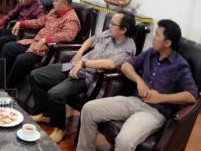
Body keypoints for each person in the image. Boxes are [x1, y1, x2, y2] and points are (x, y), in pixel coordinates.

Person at [74, 19, 198, 151]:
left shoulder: (180, 66)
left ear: (168, 42)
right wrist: (139, 81)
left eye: (157, 34)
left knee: (124, 139)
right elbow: (126, 65)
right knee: (90, 109)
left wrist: (161, 97)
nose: (153, 37)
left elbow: (192, 96)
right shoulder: (150, 54)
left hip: (154, 112)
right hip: (134, 101)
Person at [30, 11, 137, 143]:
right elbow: (91, 40)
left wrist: (84, 63)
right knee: (36, 75)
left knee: (55, 94)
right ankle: (47, 114)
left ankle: (59, 128)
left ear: (123, 29)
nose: (109, 26)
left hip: (90, 77)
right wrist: (80, 53)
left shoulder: (128, 48)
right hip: (75, 66)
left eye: (112, 24)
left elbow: (110, 64)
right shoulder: (109, 33)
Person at [0, 0, 80, 89]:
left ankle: (7, 88)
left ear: (64, 3)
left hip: (45, 51)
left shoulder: (72, 19)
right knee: (7, 47)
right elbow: (39, 22)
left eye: (55, 1)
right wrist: (21, 23)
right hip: (34, 43)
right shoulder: (53, 12)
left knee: (21, 59)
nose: (53, 3)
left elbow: (68, 36)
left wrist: (45, 40)